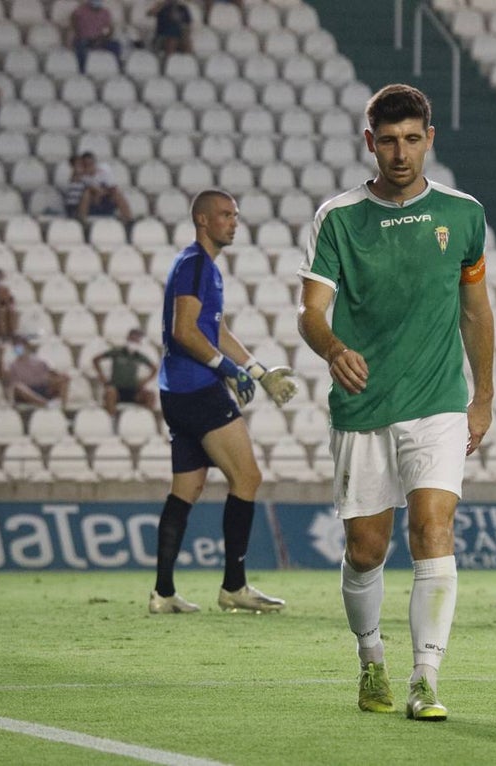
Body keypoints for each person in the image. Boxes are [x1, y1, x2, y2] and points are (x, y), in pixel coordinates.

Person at [297, 84, 495, 721]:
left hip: (438, 401)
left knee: (434, 531)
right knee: (366, 551)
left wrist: (483, 398)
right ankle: (371, 659)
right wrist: (331, 348)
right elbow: (310, 313)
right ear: (369, 143)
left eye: (412, 138)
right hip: (363, 406)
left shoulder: (464, 214)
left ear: (430, 138)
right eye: (389, 141)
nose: (401, 152)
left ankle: (426, 678)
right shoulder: (339, 217)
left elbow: (475, 310)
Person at [150, 189, 298, 617]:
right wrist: (225, 370)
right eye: (224, 215)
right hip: (197, 389)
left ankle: (163, 593)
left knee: (187, 488)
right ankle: (234, 586)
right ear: (201, 220)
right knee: (247, 477)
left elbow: (212, 330)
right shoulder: (196, 264)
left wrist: (257, 371)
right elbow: (185, 331)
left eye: (235, 215)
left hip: (176, 390)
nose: (234, 222)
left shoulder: (199, 267)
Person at [93, 328, 157, 416]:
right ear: (128, 339)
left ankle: (146, 420)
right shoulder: (117, 352)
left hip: (133, 391)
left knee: (150, 395)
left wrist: (144, 381)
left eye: (137, 340)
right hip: (117, 390)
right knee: (109, 393)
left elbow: (154, 368)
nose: (134, 342)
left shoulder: (138, 356)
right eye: (132, 339)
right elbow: (96, 359)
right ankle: (112, 420)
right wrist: (102, 376)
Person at [0, 334, 70, 408]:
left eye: (19, 345)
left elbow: (54, 373)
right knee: (18, 387)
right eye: (15, 346)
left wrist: (61, 377)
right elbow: (2, 377)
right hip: (26, 391)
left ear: (26, 346)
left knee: (64, 379)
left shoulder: (39, 361)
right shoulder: (12, 365)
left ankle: (63, 409)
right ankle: (46, 404)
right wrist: (0, 356)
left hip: (42, 388)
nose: (18, 348)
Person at [71, 152, 133, 228]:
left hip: (106, 199)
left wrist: (100, 192)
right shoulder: (81, 174)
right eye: (86, 164)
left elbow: (113, 188)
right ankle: (82, 222)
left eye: (91, 164)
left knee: (118, 194)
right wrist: (96, 191)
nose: (89, 166)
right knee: (86, 193)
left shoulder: (105, 169)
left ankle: (129, 220)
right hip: (92, 202)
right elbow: (77, 182)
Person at [70, 0, 123, 72]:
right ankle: (82, 72)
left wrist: (103, 38)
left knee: (116, 45)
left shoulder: (105, 12)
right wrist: (79, 33)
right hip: (84, 39)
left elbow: (110, 29)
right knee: (81, 46)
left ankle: (118, 69)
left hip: (100, 39)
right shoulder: (80, 11)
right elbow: (73, 22)